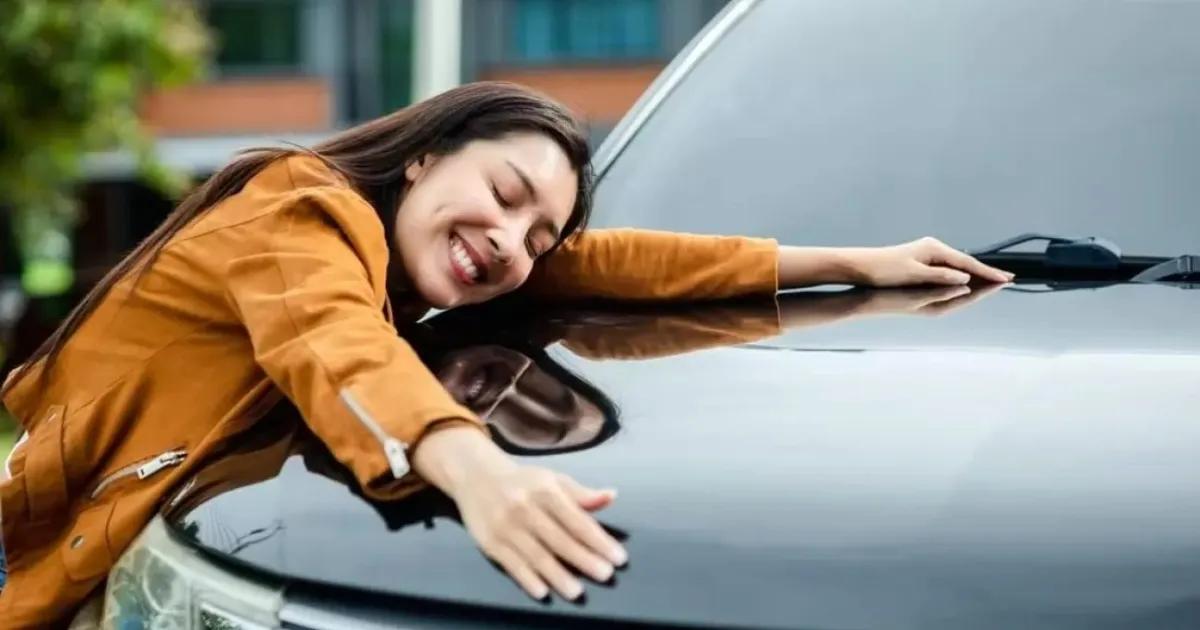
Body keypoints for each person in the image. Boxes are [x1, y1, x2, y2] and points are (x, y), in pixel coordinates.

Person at [0, 81, 1010, 626]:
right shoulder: (294, 209)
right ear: (424, 157)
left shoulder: (422, 259)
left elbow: (618, 263)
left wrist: (855, 262)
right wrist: (479, 472)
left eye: (538, 236)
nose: (512, 244)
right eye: (506, 195)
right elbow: (334, 345)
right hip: (37, 549)